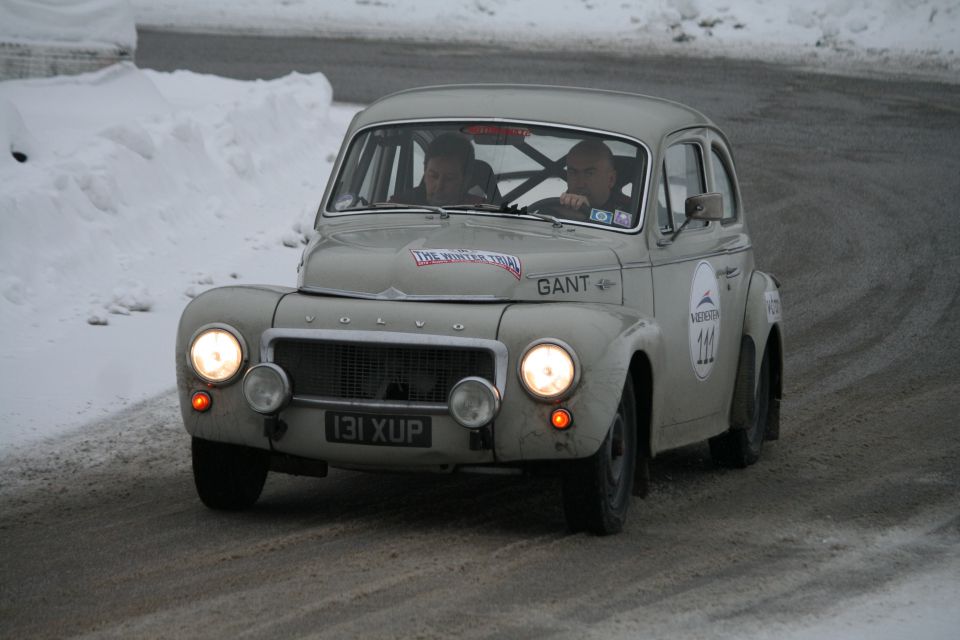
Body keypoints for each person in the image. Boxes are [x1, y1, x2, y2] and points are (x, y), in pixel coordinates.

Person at [391, 132, 476, 206]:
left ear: (465, 180)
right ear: (425, 173)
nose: (439, 186)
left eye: (449, 178)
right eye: (433, 176)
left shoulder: (479, 209)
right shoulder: (399, 206)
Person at [558, 139, 631, 216]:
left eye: (589, 173)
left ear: (611, 179)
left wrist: (586, 216)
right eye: (573, 173)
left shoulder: (630, 212)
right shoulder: (555, 210)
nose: (580, 184)